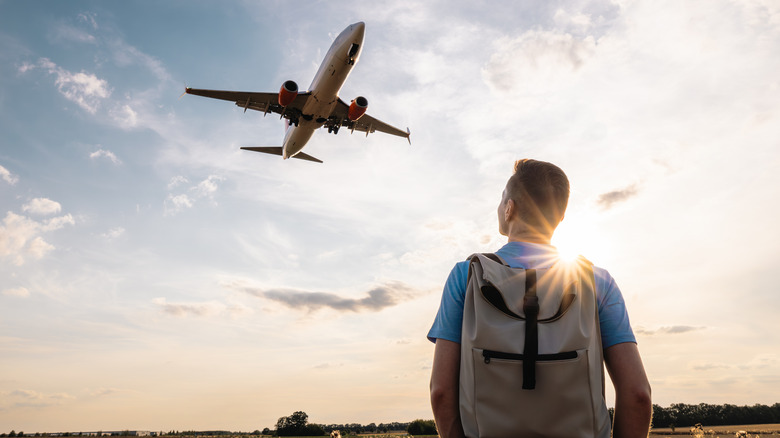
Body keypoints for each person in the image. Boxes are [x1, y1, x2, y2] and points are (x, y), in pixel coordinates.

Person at [428, 159, 652, 438]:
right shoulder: (598, 281)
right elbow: (638, 394)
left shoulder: (466, 276)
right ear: (560, 217)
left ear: (509, 208)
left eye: (501, 201)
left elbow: (441, 392)